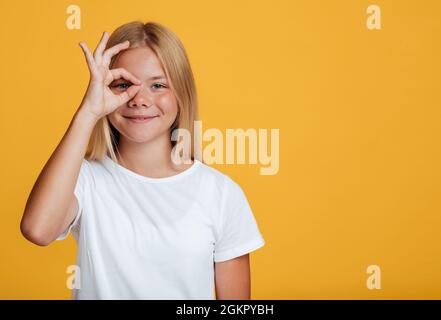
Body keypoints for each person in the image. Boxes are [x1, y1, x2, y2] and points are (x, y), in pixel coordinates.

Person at [20, 21, 265, 300]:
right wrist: (89, 112)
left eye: (158, 85)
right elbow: (37, 230)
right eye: (124, 84)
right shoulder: (84, 180)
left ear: (181, 94)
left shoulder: (221, 194)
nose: (139, 99)